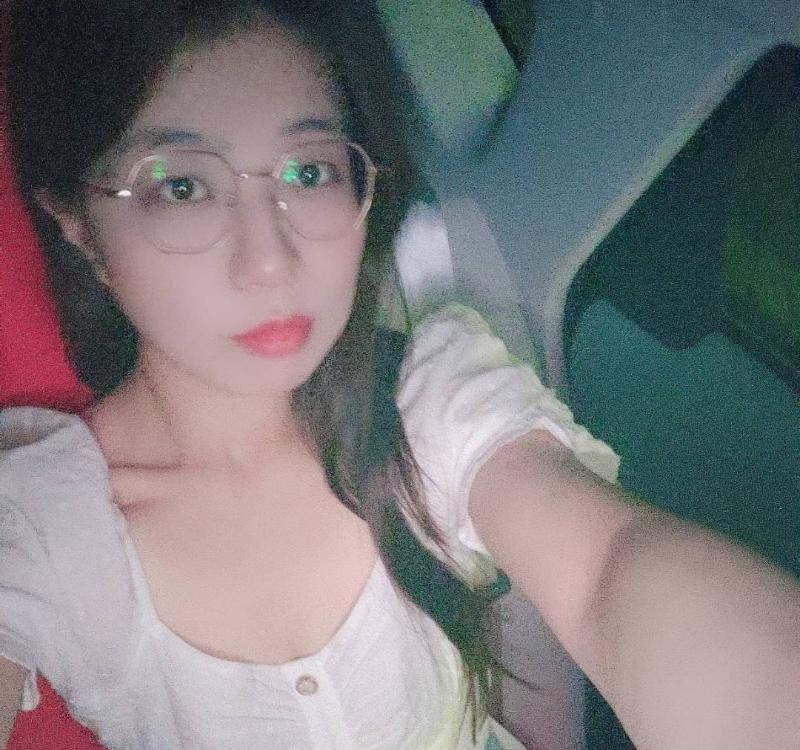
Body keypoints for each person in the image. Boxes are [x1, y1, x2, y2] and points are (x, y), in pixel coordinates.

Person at [0, 1, 798, 749]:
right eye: (182, 186)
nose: (271, 261)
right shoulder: (42, 528)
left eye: (308, 172)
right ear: (76, 223)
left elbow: (606, 569)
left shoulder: (428, 401)